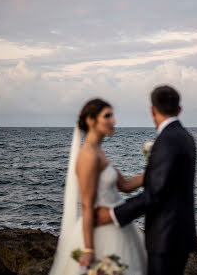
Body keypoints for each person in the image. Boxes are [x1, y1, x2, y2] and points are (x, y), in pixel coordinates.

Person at [96, 85, 197, 275]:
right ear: (179, 109)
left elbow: (156, 194)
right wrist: (126, 182)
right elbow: (166, 181)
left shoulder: (167, 140)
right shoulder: (186, 138)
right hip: (179, 234)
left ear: (152, 110)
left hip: (166, 236)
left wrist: (113, 215)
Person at [49, 98, 147, 275]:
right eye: (107, 116)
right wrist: (89, 250)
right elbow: (87, 205)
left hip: (117, 224)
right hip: (102, 231)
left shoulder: (98, 152)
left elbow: (125, 185)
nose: (113, 121)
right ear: (91, 120)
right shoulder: (87, 156)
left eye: (113, 115)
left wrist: (155, 171)